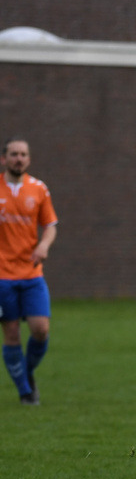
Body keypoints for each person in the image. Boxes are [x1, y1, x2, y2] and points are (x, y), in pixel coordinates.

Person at [1, 137, 57, 406]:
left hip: (32, 273)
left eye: (23, 154)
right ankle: (25, 392)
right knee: (11, 332)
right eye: (14, 154)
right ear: (4, 159)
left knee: (40, 330)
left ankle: (27, 372)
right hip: (2, 277)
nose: (18, 158)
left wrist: (44, 245)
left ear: (29, 159)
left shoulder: (39, 189)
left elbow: (50, 225)